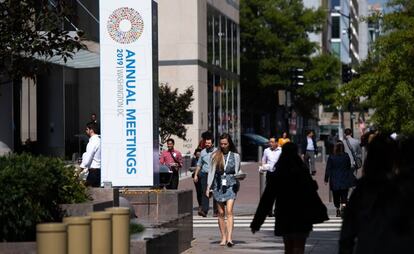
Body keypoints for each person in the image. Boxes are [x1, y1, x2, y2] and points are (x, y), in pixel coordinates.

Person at [251, 142, 323, 254]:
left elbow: (267, 199)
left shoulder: (278, 173)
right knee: (299, 246)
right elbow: (312, 190)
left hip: (284, 213)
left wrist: (257, 223)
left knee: (288, 247)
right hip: (301, 213)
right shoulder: (302, 171)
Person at [206, 133, 241, 247]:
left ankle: (230, 238)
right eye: (221, 144)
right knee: (221, 213)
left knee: (229, 211)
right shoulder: (215, 155)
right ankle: (223, 237)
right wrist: (208, 187)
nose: (223, 145)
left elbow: (238, 170)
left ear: (229, 143)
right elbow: (211, 172)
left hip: (231, 184)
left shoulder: (235, 156)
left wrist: (240, 176)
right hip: (218, 185)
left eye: (225, 143)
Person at [324, 141, 355, 217]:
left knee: (336, 195)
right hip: (344, 178)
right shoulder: (346, 156)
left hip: (334, 179)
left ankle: (337, 208)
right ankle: (343, 207)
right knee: (344, 195)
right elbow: (348, 166)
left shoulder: (331, 157)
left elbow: (328, 169)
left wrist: (326, 179)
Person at [194, 135, 218, 217]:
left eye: (209, 143)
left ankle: (216, 211)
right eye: (206, 143)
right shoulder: (203, 152)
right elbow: (199, 164)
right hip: (204, 174)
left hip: (214, 174)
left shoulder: (217, 151)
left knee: (215, 192)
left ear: (212, 143)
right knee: (204, 192)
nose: (207, 144)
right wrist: (196, 175)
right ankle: (204, 211)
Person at [261, 136, 282, 216]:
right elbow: (263, 160)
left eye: (272, 142)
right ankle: (269, 211)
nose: (270, 143)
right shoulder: (266, 150)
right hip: (270, 174)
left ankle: (277, 211)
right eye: (270, 142)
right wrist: (263, 167)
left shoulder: (281, 151)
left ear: (277, 143)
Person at [79, 122, 101, 187]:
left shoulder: (92, 142)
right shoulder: (100, 140)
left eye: (87, 129)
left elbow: (87, 160)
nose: (86, 131)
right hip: (100, 171)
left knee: (88, 193)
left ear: (91, 130)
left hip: (93, 172)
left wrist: (80, 169)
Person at [190, 148, 203, 214]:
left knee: (203, 191)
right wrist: (196, 168)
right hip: (196, 177)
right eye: (197, 154)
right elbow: (190, 168)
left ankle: (204, 204)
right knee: (198, 192)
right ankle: (200, 205)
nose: (198, 155)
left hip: (203, 177)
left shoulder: (203, 159)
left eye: (199, 153)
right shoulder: (194, 160)